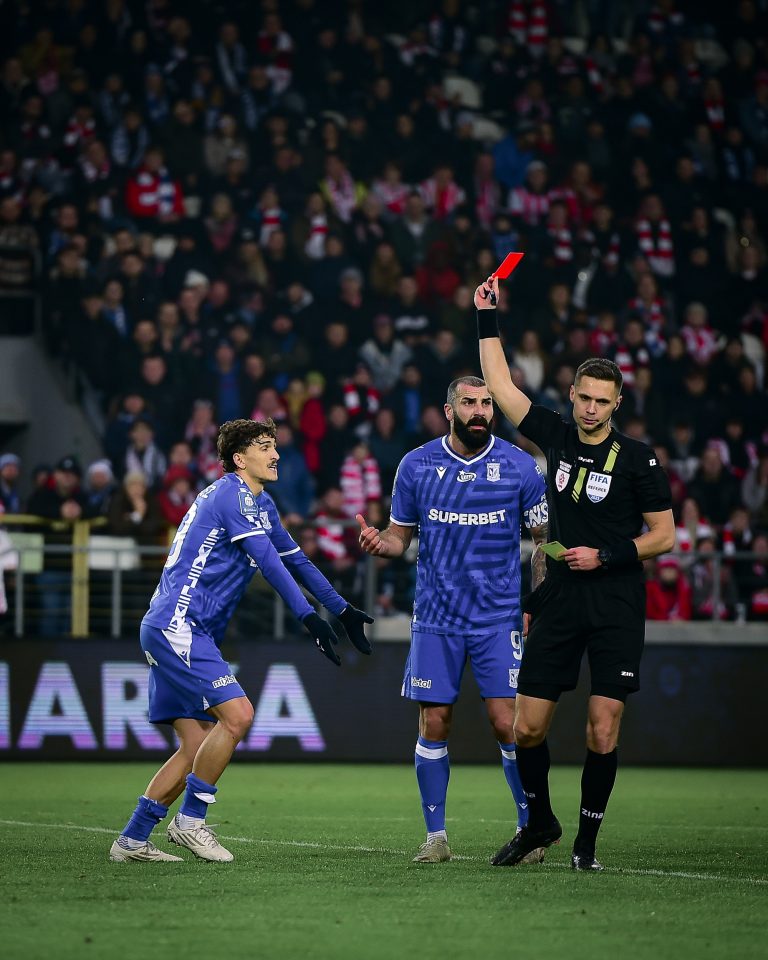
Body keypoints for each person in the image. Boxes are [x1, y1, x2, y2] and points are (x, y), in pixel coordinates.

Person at [476, 274, 675, 871]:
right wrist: (487, 317)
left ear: (617, 405)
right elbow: (500, 385)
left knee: (602, 726)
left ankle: (586, 845)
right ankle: (541, 822)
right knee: (524, 727)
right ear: (573, 396)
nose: (589, 409)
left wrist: (609, 555)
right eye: (583, 397)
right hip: (559, 593)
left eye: (601, 401)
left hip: (614, 598)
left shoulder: (639, 458)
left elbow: (664, 535)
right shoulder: (558, 436)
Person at [110, 418, 374, 864]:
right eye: (265, 447)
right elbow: (270, 566)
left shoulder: (260, 503)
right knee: (238, 717)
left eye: (275, 446)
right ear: (239, 458)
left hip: (180, 628)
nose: (275, 455)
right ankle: (191, 822)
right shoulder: (232, 496)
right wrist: (309, 617)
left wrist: (342, 609)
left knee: (197, 746)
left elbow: (297, 561)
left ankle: (133, 839)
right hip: (179, 627)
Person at [357, 376, 549, 864]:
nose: (480, 410)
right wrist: (383, 544)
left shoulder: (520, 466)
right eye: (469, 403)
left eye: (487, 403)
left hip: (498, 617)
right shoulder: (416, 465)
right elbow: (400, 536)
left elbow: (545, 541)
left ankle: (529, 832)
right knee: (435, 721)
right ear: (449, 410)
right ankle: (435, 837)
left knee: (508, 723)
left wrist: (540, 602)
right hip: (437, 618)